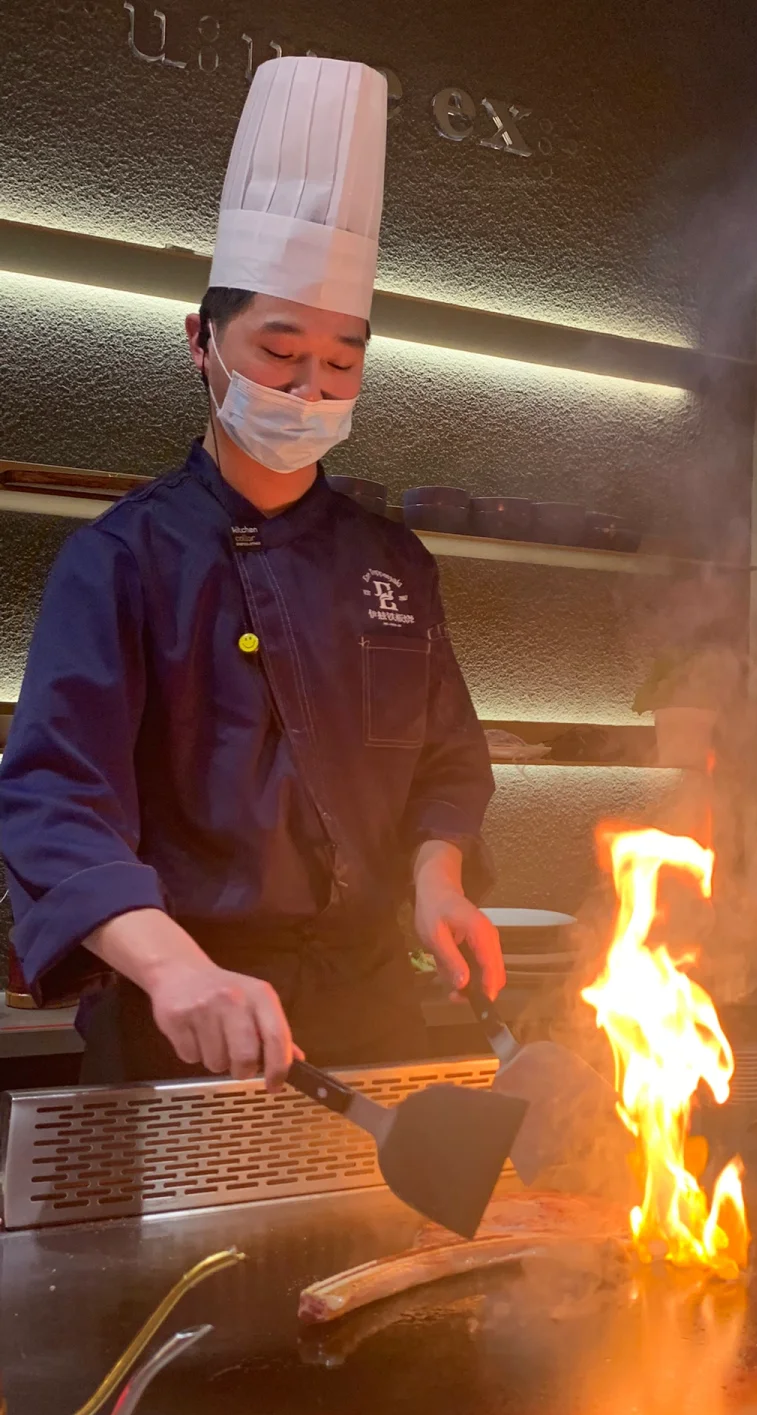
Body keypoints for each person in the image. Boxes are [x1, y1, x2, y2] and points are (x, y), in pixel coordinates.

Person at [0, 56, 503, 1089]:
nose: (312, 387)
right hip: (188, 1021)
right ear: (202, 343)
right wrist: (175, 969)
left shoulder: (392, 563)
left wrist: (437, 881)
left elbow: (447, 766)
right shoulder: (121, 559)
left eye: (343, 359)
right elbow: (54, 799)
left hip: (373, 1011)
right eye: (279, 352)